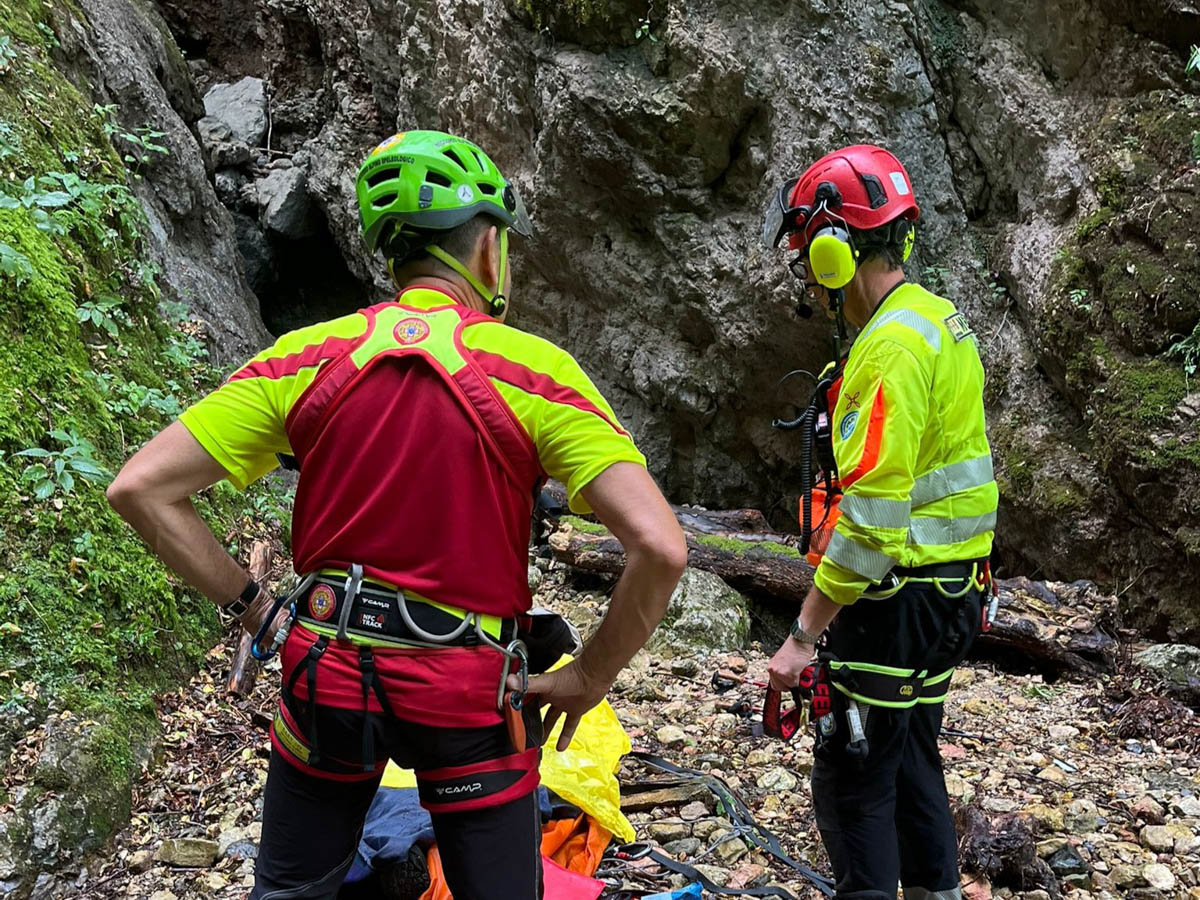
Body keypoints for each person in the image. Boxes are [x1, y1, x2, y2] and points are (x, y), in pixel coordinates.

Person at [107, 129, 687, 900]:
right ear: (487, 249)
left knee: (291, 889)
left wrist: (256, 611)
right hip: (467, 693)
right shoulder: (533, 373)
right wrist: (586, 675)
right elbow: (661, 546)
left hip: (327, 677)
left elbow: (139, 489)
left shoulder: (306, 356)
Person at [761, 144, 998, 900]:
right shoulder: (939, 321)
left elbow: (869, 527)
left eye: (811, 260)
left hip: (896, 604)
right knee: (911, 758)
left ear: (834, 255)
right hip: (955, 592)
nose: (811, 279)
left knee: (854, 778)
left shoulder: (888, 350)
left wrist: (800, 639)